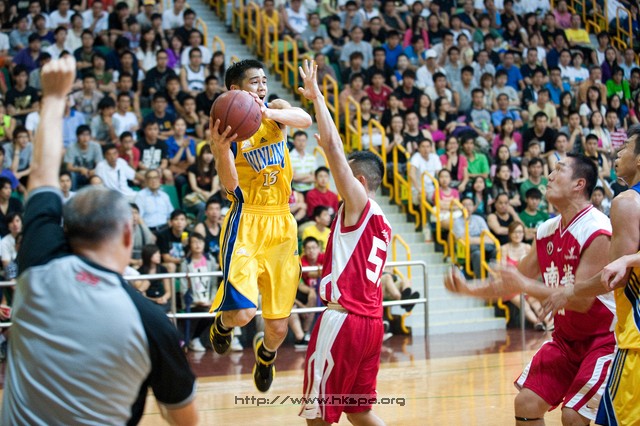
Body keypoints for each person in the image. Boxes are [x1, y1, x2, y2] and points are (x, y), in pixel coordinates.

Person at [0, 57, 197, 424]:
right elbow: (184, 419)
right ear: (128, 234)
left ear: (65, 231)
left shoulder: (38, 265)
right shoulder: (151, 321)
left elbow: (41, 175)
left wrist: (54, 97)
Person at [446, 153, 616, 425]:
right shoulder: (547, 230)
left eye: (559, 170)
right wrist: (469, 290)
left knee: (572, 416)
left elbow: (581, 300)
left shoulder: (598, 229)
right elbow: (514, 280)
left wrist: (526, 286)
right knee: (526, 403)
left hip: (603, 341)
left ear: (579, 184)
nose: (549, 176)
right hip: (565, 339)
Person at [207, 59, 312, 393]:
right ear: (235, 90)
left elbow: (305, 119)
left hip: (282, 222)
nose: (262, 87)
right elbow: (229, 186)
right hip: (247, 219)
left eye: (264, 81)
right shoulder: (227, 128)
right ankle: (223, 325)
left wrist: (266, 112)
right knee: (243, 314)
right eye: (255, 82)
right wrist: (221, 150)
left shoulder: (275, 110)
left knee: (278, 328)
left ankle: (266, 355)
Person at [298, 59, 391, 425]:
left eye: (346, 175)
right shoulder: (382, 221)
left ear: (360, 182)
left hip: (344, 320)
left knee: (317, 416)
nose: (340, 180)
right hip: (372, 323)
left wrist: (318, 98)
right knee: (359, 411)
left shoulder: (359, 203)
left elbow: (336, 147)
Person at [540, 125, 640, 425]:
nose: (617, 153)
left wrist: (570, 291)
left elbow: (615, 276)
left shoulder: (626, 201)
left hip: (634, 336)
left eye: (626, 147)